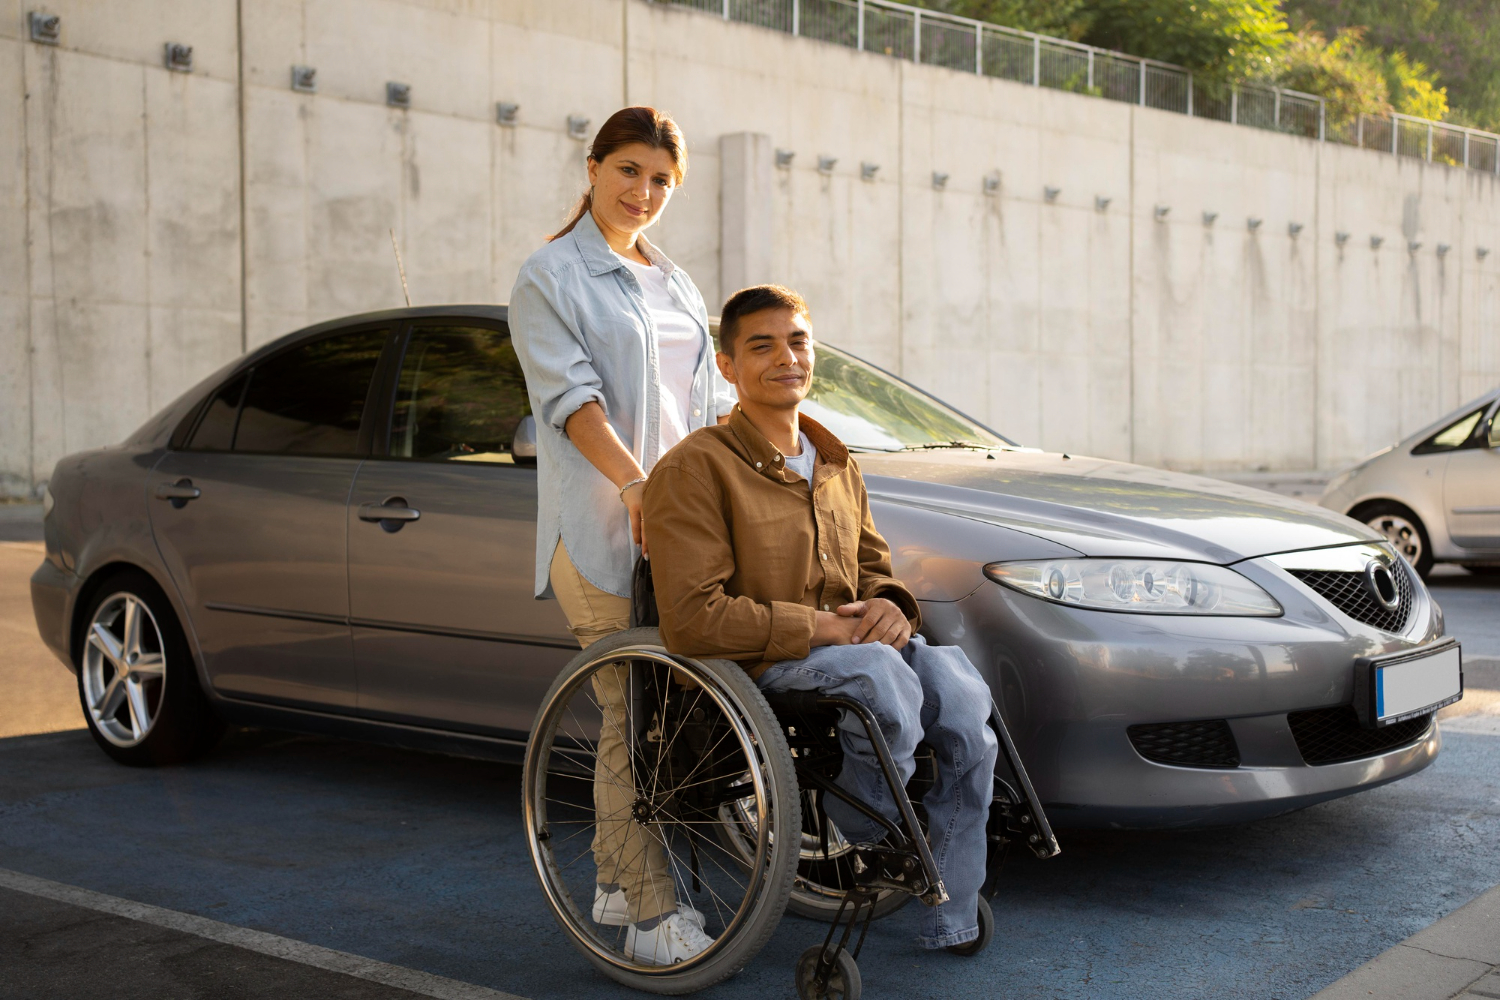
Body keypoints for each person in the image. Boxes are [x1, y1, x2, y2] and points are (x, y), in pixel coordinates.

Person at [643, 284, 1000, 951]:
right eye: (762, 345)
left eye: (798, 341)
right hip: (759, 664)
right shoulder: (695, 468)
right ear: (727, 367)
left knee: (957, 687)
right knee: (877, 674)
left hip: (854, 654)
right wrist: (824, 629)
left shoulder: (835, 462)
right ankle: (858, 832)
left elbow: (872, 568)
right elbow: (692, 620)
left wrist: (892, 606)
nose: (786, 357)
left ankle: (948, 906)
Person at [509, 106, 734, 965]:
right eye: (630, 171)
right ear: (594, 166)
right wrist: (637, 483)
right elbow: (571, 404)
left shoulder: (675, 283)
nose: (644, 193)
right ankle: (647, 914)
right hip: (599, 530)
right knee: (625, 708)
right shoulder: (549, 276)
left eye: (662, 181)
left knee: (651, 716)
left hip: (678, 532)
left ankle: (611, 879)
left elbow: (707, 406)